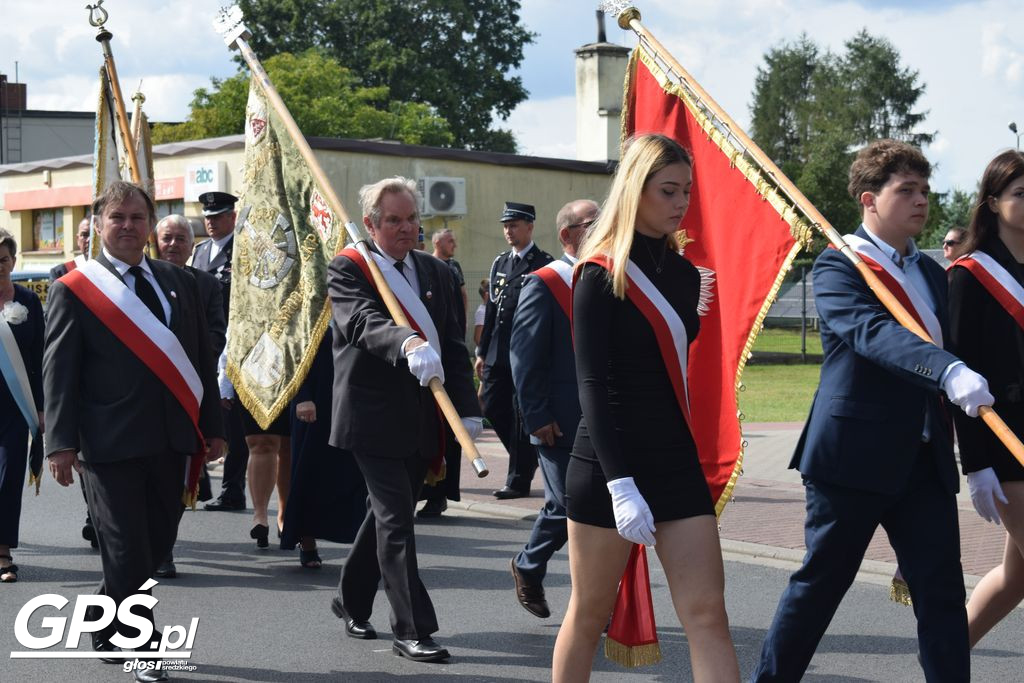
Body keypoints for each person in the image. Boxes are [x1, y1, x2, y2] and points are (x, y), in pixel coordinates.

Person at [751, 140, 993, 682]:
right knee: (820, 590)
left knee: (943, 597)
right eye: (905, 190)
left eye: (925, 191)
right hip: (851, 461)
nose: (921, 201)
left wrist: (976, 457)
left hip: (924, 462)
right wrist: (946, 369)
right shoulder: (839, 268)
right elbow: (871, 333)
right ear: (868, 200)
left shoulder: (933, 274)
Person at [552, 134, 739, 682]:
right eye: (668, 190)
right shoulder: (598, 272)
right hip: (609, 465)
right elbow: (591, 382)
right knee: (588, 615)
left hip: (675, 460)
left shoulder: (684, 274)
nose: (681, 203)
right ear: (636, 190)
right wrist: (619, 483)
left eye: (686, 190)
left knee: (708, 614)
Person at [43, 181, 224, 682]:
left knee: (156, 541)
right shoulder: (74, 286)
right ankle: (140, 644)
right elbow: (58, 370)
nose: (127, 226)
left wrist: (213, 426)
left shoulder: (179, 281)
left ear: (150, 224)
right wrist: (60, 442)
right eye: (117, 217)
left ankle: (104, 622)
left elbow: (200, 360)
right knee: (125, 547)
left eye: (137, 218)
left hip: (171, 437)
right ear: (99, 223)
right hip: (108, 441)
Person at [327, 176, 482, 663]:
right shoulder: (350, 268)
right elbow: (359, 323)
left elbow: (453, 345)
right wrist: (406, 343)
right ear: (371, 224)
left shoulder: (435, 272)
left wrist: (469, 408)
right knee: (397, 520)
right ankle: (411, 627)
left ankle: (349, 598)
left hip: (423, 417)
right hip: (370, 416)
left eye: (411, 219)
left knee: (385, 516)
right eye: (393, 220)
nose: (404, 228)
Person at [948, 150, 1024, 649]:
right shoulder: (969, 275)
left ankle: (945, 660)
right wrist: (976, 464)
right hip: (1006, 443)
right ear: (993, 202)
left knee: (1016, 579)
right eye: (1021, 193)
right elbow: (958, 375)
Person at [508, 198, 597, 618]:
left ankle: (595, 601)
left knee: (598, 513)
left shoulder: (605, 278)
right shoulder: (544, 282)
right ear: (567, 235)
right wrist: (537, 415)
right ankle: (528, 566)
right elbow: (523, 356)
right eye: (592, 224)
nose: (603, 230)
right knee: (567, 507)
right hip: (558, 421)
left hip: (602, 419)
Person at [153, 214, 227, 577]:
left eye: (182, 238)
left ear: (191, 243)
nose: (174, 244)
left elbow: (217, 333)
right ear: (156, 241)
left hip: (189, 392)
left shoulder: (206, 285)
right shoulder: (141, 280)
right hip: (146, 396)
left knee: (177, 475)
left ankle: (164, 547)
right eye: (167, 237)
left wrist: (190, 357)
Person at [476, 201, 553, 499]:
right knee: (494, 407)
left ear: (530, 227)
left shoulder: (542, 263)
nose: (508, 231)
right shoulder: (500, 263)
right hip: (497, 351)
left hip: (526, 353)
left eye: (514, 225)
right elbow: (493, 310)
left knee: (521, 415)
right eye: (506, 226)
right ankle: (526, 459)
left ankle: (518, 479)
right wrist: (482, 351)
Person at [280, 329, 367, 567]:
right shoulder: (306, 300)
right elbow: (292, 347)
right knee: (311, 470)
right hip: (315, 397)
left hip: (354, 395)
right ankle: (307, 541)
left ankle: (363, 546)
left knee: (357, 474)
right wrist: (301, 395)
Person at [192, 190, 249, 512]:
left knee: (234, 424)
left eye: (218, 217)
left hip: (236, 347)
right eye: (208, 218)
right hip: (207, 345)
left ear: (232, 217)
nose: (211, 223)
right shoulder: (199, 253)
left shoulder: (243, 252)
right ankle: (200, 483)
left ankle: (232, 489)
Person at [48, 216, 98, 550]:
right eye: (81, 234)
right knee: (84, 456)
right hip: (78, 381)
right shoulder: (63, 272)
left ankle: (99, 514)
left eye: (88, 234)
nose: (85, 240)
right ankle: (93, 512)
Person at [0, 229, 44, 583]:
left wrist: (42, 408)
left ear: (13, 261)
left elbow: (41, 355)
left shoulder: (29, 301)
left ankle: (3, 551)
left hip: (15, 406)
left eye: (3, 259)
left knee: (9, 476)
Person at [418, 227, 471, 517]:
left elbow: (456, 310)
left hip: (439, 359)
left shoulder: (441, 271)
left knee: (443, 433)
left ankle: (439, 494)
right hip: (410, 362)